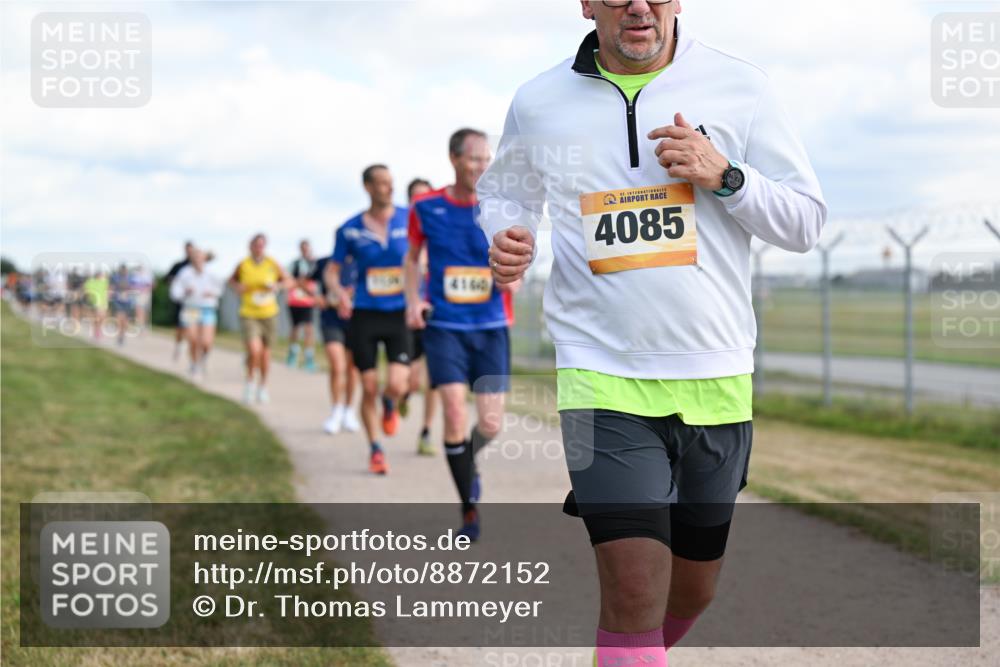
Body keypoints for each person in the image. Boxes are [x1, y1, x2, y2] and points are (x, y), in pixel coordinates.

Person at [478, 1, 827, 663]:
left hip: (716, 377)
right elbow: (504, 193)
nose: (638, 5)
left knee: (691, 591)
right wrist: (504, 235)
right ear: (587, 5)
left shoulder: (740, 85)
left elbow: (805, 221)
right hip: (599, 373)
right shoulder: (540, 101)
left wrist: (724, 175)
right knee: (634, 587)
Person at [405, 129, 518, 541]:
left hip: (490, 328)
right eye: (474, 159)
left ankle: (466, 460)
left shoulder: (501, 206)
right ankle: (469, 510)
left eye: (486, 159)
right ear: (454, 159)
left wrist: (512, 280)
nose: (482, 166)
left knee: (490, 424)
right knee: (453, 411)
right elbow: (412, 259)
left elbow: (517, 259)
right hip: (445, 328)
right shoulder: (425, 206)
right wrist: (413, 299)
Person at [326, 165, 412, 475]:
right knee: (368, 385)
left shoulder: (410, 218)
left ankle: (391, 404)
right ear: (367, 187)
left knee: (398, 383)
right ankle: (376, 448)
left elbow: (423, 256)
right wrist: (339, 292)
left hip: (399, 313)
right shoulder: (349, 229)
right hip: (364, 313)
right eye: (381, 184)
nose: (388, 188)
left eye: (391, 183)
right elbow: (332, 271)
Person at [228, 233, 293, 404]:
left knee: (265, 354)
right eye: (256, 245)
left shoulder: (272, 264)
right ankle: (249, 383)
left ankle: (262, 386)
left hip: (269, 313)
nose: (259, 248)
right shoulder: (243, 265)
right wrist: (238, 287)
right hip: (249, 313)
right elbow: (231, 281)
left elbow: (289, 281)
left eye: (262, 245)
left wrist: (277, 286)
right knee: (254, 350)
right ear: (250, 246)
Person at [401, 177, 438, 456]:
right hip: (409, 316)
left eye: (425, 196)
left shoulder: (441, 232)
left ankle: (426, 431)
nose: (420, 202)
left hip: (437, 314)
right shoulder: (402, 236)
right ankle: (401, 395)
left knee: (435, 380)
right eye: (415, 198)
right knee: (411, 380)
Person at [312, 253, 362, 434]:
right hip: (331, 320)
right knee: (337, 365)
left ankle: (349, 410)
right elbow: (303, 281)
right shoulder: (325, 263)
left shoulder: (362, 260)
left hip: (356, 320)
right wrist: (317, 297)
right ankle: (336, 410)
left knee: (352, 368)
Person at [169, 249, 223, 379]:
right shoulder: (184, 273)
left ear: (205, 259)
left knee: (206, 342)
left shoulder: (212, 273)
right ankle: (194, 364)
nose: (198, 260)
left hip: (207, 308)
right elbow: (175, 292)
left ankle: (203, 358)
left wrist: (212, 293)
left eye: (201, 257)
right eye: (196, 257)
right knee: (193, 339)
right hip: (191, 309)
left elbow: (220, 289)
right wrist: (185, 292)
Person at [287, 239, 318, 371]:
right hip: (295, 300)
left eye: (307, 247)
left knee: (309, 329)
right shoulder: (294, 264)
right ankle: (293, 353)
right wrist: (300, 284)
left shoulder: (314, 264)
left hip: (308, 301)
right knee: (295, 328)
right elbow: (289, 280)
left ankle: (309, 357)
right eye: (303, 248)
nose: (305, 250)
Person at [165, 242, 196, 361]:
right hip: (181, 301)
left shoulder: (197, 265)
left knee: (191, 326)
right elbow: (167, 278)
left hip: (193, 303)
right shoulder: (178, 266)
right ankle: (179, 345)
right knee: (180, 327)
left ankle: (190, 350)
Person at [109, 264, 134, 346]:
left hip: (127, 302)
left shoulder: (130, 278)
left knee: (125, 321)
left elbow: (133, 288)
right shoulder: (116, 277)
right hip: (118, 302)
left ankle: (122, 335)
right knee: (119, 319)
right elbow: (111, 288)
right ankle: (119, 336)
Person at [82, 270, 109, 340]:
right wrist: (88, 297)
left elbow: (108, 289)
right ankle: (96, 331)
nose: (101, 276)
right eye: (99, 275)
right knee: (97, 316)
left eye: (101, 275)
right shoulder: (90, 281)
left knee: (103, 317)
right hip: (94, 302)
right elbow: (85, 290)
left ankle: (98, 328)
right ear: (96, 275)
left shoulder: (105, 282)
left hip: (103, 302)